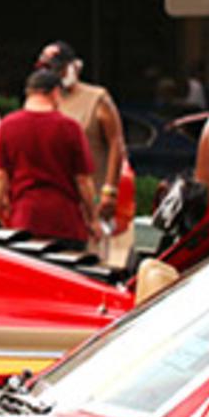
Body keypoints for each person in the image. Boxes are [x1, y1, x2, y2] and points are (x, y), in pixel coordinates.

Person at [0, 68, 96, 248]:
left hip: (25, 219)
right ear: (55, 93)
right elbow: (83, 180)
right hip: (65, 221)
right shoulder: (70, 127)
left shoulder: (7, 126)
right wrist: (92, 219)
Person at [39, 41, 127, 257]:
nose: (54, 74)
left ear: (74, 67)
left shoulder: (97, 98)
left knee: (90, 258)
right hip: (56, 198)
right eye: (48, 69)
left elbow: (116, 143)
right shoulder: (43, 100)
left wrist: (110, 190)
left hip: (91, 194)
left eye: (59, 68)